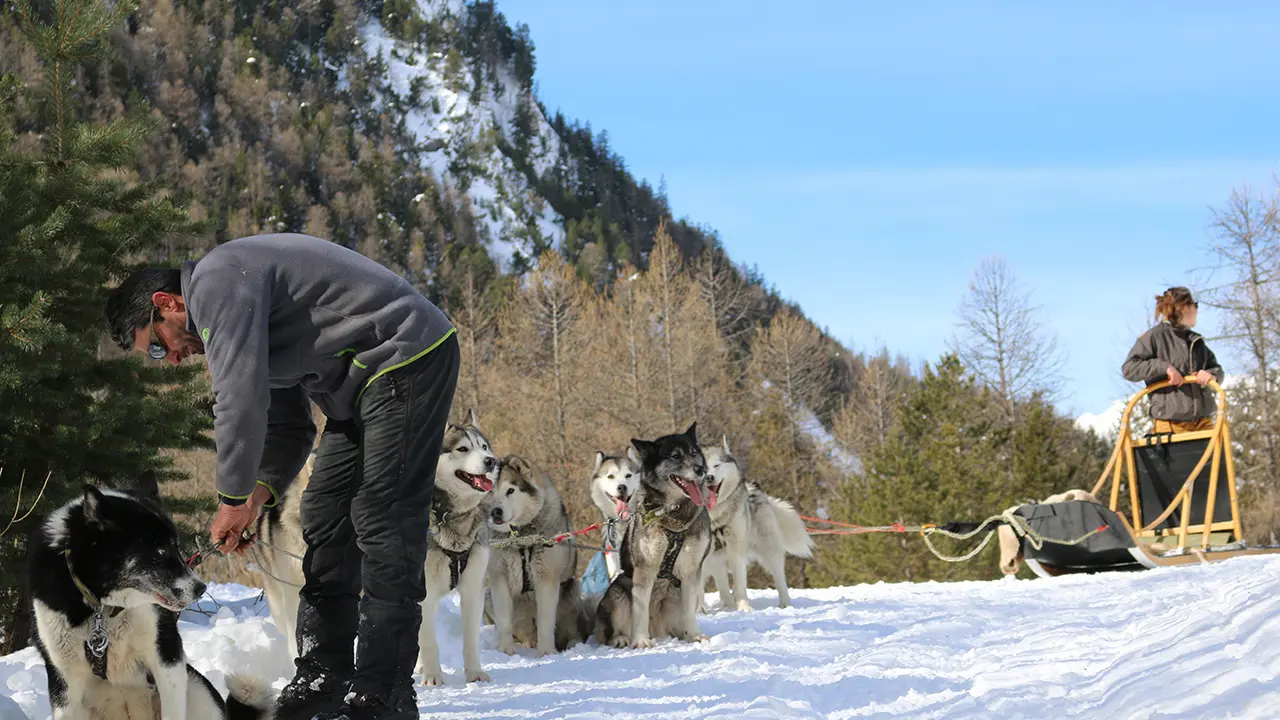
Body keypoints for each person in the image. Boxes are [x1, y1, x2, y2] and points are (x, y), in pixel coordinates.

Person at [105, 233, 459, 720]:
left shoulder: (217, 280)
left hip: (406, 354)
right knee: (324, 517)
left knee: (383, 516)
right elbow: (289, 426)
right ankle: (324, 676)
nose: (171, 358)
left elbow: (241, 400)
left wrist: (230, 497)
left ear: (167, 303)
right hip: (357, 389)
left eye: (158, 346)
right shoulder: (241, 307)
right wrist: (255, 496)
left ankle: (385, 692)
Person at [1121, 286, 1224, 434]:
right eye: (1195, 305)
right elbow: (1129, 368)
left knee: (1221, 455)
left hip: (1203, 422)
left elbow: (1216, 368)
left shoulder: (1196, 341)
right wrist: (1164, 367)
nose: (1197, 310)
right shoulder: (1154, 337)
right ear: (1182, 307)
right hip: (1171, 425)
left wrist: (1211, 375)